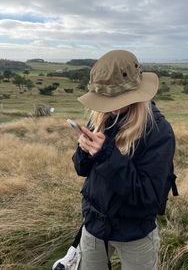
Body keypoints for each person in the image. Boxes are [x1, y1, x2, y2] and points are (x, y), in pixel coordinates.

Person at [52, 50, 177, 270]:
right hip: (94, 226)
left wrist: (106, 155)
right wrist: (84, 151)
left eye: (112, 99)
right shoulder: (101, 117)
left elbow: (148, 197)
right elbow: (81, 170)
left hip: (136, 232)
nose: (105, 106)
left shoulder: (159, 131)